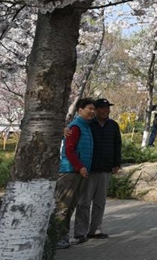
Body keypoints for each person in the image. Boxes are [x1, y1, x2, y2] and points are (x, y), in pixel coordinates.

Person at [73, 98, 122, 241]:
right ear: (95, 109)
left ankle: (95, 230)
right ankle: (80, 232)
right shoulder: (88, 124)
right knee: (84, 202)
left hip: (106, 169)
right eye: (102, 108)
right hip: (90, 168)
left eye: (108, 108)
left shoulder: (113, 125)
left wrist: (117, 163)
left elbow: (117, 144)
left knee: (100, 202)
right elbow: (74, 131)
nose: (105, 111)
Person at [54, 98, 96, 250]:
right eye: (89, 108)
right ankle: (56, 237)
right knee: (63, 206)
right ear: (80, 110)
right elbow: (69, 150)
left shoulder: (86, 127)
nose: (92, 112)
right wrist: (80, 167)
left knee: (70, 206)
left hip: (79, 172)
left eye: (93, 109)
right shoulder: (76, 127)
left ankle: (62, 236)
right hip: (70, 172)